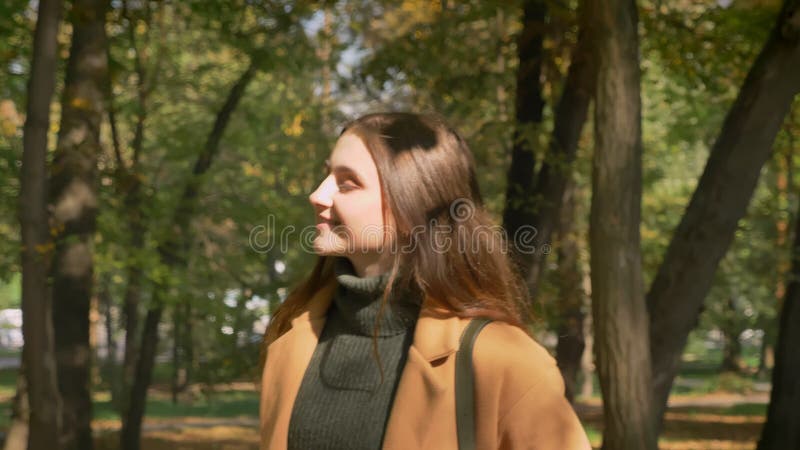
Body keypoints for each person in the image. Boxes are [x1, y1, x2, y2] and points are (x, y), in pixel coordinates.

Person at [259, 112, 591, 449]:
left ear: (414, 204)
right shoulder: (289, 338)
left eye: (347, 182)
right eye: (327, 175)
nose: (317, 194)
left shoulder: (505, 362)